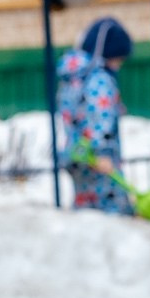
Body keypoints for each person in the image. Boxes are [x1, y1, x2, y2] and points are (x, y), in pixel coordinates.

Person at [57, 16, 137, 214]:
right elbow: (100, 116)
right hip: (100, 161)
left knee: (87, 214)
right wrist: (101, 152)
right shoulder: (99, 80)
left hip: (77, 154)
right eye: (118, 59)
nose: (119, 64)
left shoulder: (72, 80)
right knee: (110, 214)